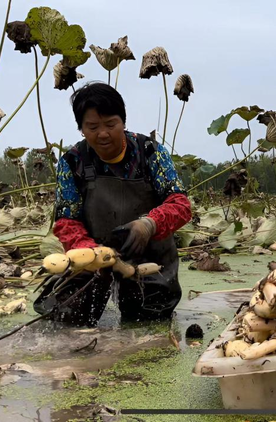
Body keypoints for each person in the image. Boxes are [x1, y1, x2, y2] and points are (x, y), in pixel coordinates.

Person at [34, 82, 191, 326]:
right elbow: (67, 220)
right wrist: (89, 251)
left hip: (148, 259)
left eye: (110, 124)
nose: (103, 133)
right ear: (81, 128)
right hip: (93, 257)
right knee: (65, 315)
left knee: (148, 321)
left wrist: (150, 224)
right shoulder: (72, 161)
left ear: (123, 122)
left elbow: (180, 204)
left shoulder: (150, 152)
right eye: (93, 127)